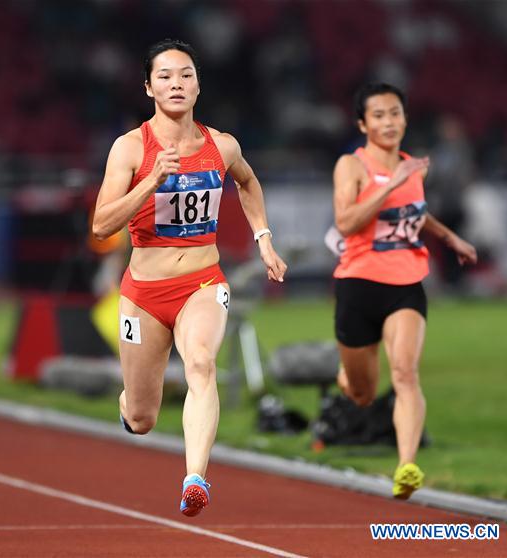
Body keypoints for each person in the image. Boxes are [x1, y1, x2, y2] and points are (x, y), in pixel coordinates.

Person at [92, 39, 287, 517]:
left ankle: (194, 479)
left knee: (201, 363)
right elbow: (101, 225)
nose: (176, 84)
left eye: (185, 75)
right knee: (143, 417)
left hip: (202, 283)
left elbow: (247, 181)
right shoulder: (130, 148)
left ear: (198, 86)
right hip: (143, 294)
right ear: (148, 87)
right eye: (165, 76)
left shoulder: (222, 145)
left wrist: (263, 237)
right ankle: (129, 404)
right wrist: (151, 182)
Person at [331, 83, 477, 499]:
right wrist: (390, 184)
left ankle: (407, 465)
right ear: (363, 124)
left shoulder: (414, 168)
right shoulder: (351, 166)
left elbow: (415, 212)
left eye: (395, 113)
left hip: (406, 285)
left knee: (405, 374)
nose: (389, 122)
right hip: (359, 285)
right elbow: (346, 222)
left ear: (405, 119)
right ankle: (346, 375)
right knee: (361, 394)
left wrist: (449, 237)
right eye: (378, 115)